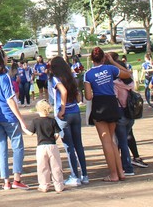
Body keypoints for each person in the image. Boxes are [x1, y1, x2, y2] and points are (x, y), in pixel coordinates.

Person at [0, 48, 30, 190]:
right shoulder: (4, 78)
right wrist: (21, 119)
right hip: (8, 117)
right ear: (0, 60)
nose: (7, 58)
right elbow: (10, 100)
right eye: (5, 57)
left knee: (1, 149)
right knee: (17, 146)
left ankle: (6, 181)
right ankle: (17, 179)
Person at [83, 46, 131, 182]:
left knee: (106, 141)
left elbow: (88, 96)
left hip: (99, 104)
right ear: (104, 58)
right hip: (112, 102)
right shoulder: (110, 69)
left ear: (92, 59)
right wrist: (113, 62)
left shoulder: (88, 74)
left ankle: (113, 174)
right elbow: (127, 74)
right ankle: (120, 172)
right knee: (112, 140)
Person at [49, 56, 88, 186]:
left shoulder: (55, 78)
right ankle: (84, 175)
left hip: (64, 115)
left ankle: (74, 176)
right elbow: (77, 94)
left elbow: (63, 91)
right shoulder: (70, 76)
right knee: (78, 145)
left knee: (69, 146)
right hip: (75, 112)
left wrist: (62, 109)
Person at [25, 100, 64, 193]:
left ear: (38, 110)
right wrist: (53, 138)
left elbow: (30, 133)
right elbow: (57, 134)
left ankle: (44, 185)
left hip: (41, 146)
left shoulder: (35, 121)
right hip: (52, 145)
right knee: (56, 166)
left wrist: (24, 128)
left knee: (42, 167)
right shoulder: (52, 120)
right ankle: (58, 185)